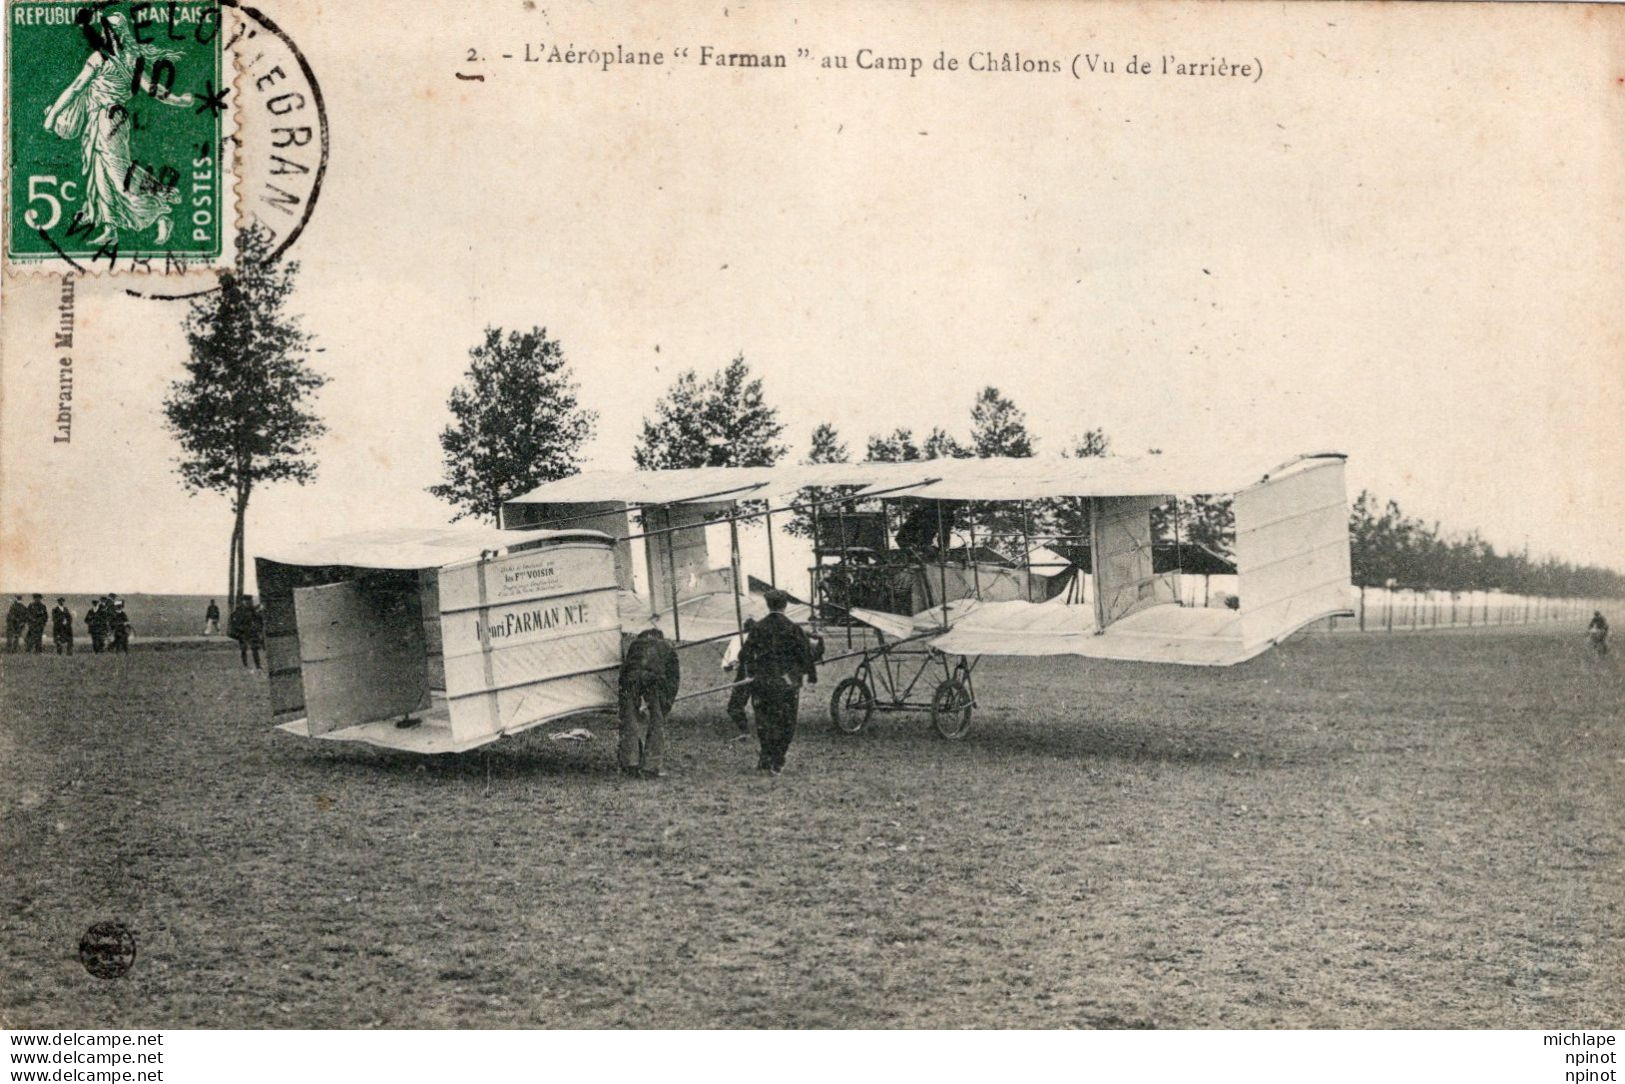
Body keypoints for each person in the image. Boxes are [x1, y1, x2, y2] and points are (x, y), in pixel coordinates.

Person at [741, 589, 819, 776]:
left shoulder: (758, 628)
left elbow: (744, 654)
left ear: (768, 605)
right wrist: (810, 674)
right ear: (785, 605)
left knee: (764, 720)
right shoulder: (793, 628)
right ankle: (778, 759)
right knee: (786, 721)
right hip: (787, 682)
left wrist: (751, 673)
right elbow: (805, 654)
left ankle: (766, 757)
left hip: (762, 682)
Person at [617, 626, 680, 778]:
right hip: (654, 680)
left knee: (629, 719)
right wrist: (665, 704)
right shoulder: (667, 648)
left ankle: (630, 763)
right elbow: (673, 679)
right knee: (657, 721)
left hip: (630, 679)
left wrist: (628, 699)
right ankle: (651, 767)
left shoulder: (635, 645)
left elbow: (625, 669)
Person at [722, 617, 756, 740]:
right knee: (765, 706)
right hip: (762, 675)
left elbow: (727, 667)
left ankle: (745, 732)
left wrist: (733, 664)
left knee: (734, 706)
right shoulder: (766, 638)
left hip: (748, 675)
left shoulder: (738, 639)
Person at [228, 596, 264, 669]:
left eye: (250, 601)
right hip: (242, 632)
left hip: (251, 632)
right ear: (244, 601)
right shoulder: (239, 610)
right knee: (244, 649)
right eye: (247, 601)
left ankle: (258, 665)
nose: (249, 602)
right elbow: (234, 621)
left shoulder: (252, 610)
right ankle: (245, 665)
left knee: (254, 649)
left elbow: (258, 617)